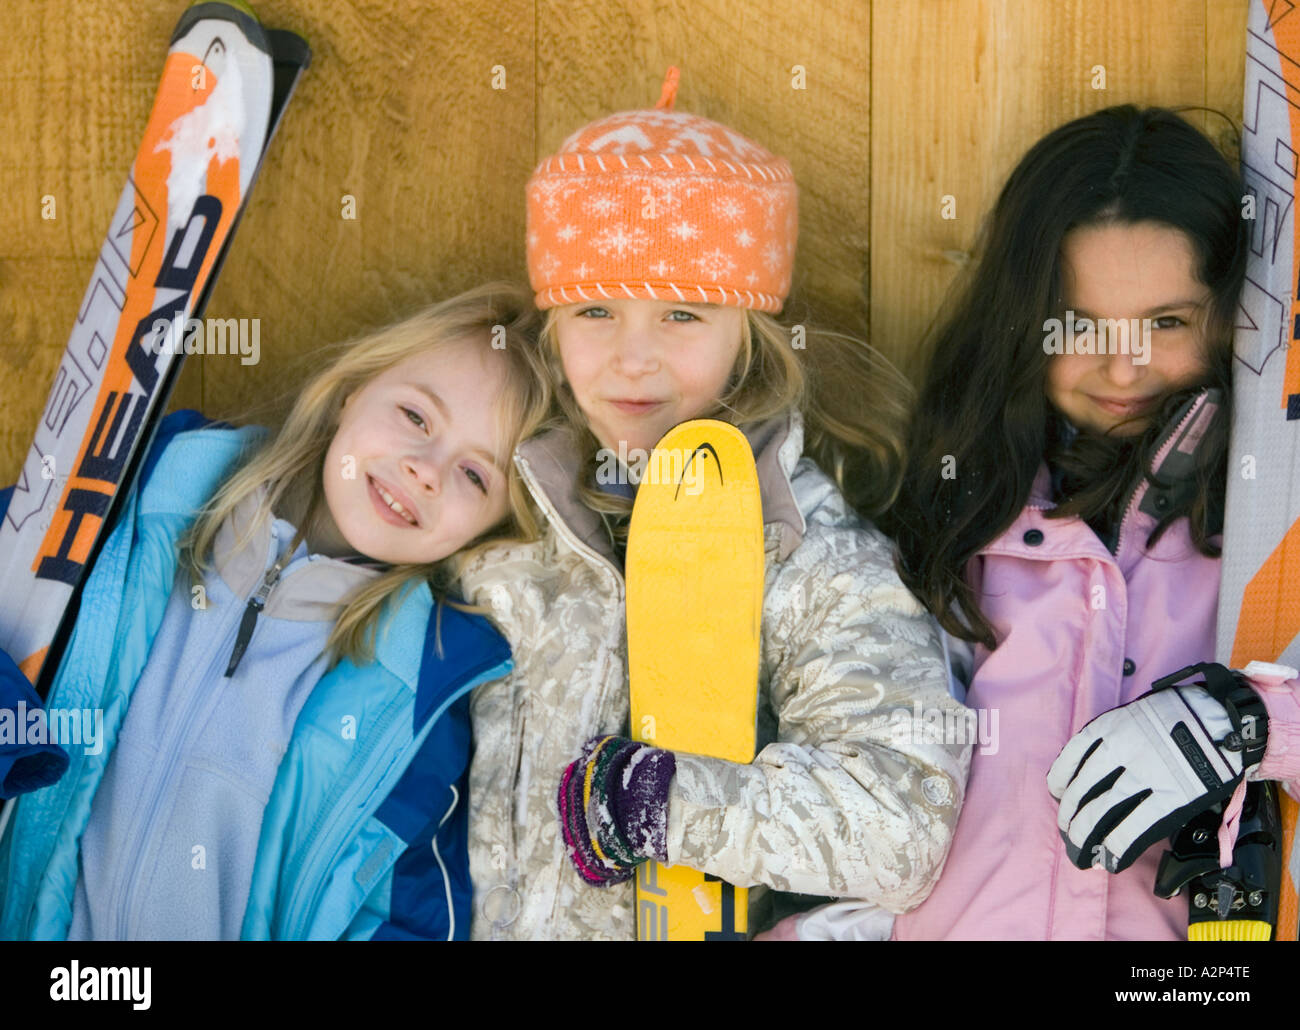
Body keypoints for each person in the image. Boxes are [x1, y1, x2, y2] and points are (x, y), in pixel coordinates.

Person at [457, 67, 971, 940]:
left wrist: (667, 804)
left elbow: (902, 824)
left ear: (751, 336)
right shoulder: (499, 511)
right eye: (595, 310)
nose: (633, 360)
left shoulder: (806, 550)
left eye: (684, 315)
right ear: (550, 322)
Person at [0, 282, 553, 940]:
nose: (426, 470)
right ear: (355, 389)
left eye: (473, 476)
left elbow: (408, 914)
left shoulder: (417, 697)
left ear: (488, 530)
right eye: (415, 417)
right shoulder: (148, 489)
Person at [874, 105, 1300, 940]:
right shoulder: (949, 514)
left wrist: (1239, 723)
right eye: (1082, 326)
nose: (1123, 367)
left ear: (1228, 318)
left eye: (1166, 323)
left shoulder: (1267, 528)